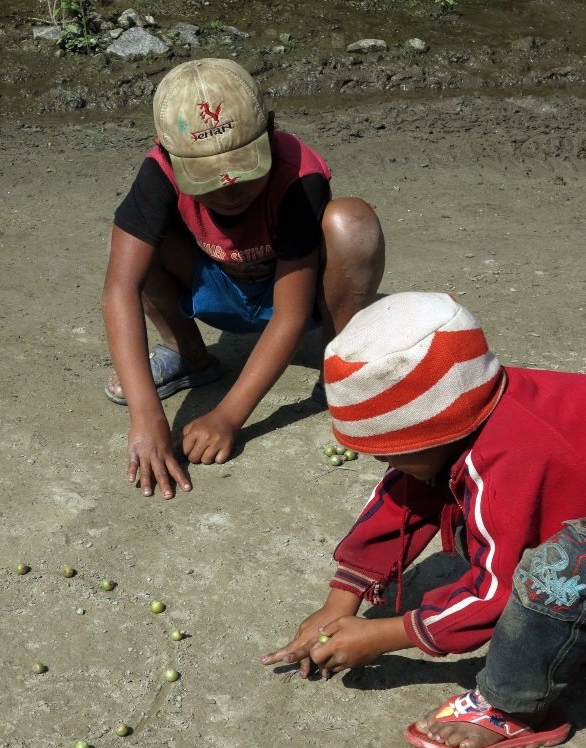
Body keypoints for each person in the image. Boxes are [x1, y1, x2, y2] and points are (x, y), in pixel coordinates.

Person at [261, 292, 586, 748]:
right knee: (467, 509)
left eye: (390, 455)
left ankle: (512, 705)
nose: (382, 464)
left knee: (559, 569)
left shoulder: (519, 454)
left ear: (436, 430)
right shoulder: (468, 405)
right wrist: (341, 597)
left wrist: (383, 635)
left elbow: (499, 588)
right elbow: (404, 497)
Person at [101, 58, 385, 499]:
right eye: (207, 178)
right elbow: (120, 290)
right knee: (129, 245)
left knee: (353, 224)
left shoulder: (297, 176)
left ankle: (340, 367)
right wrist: (148, 418)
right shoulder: (158, 171)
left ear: (270, 130)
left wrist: (228, 416)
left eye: (242, 168)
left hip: (295, 295)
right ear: (165, 151)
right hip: (214, 286)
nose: (229, 189)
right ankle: (187, 355)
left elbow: (290, 314)